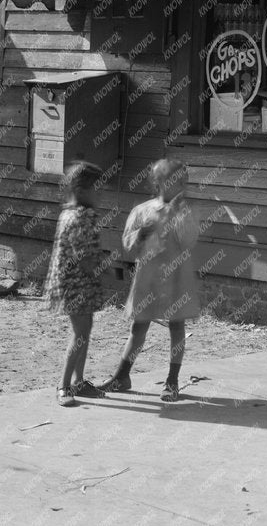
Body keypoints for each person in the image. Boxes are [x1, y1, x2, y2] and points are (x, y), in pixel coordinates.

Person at [101, 158, 200, 403]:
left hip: (177, 276)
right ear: (158, 183)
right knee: (139, 326)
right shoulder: (142, 211)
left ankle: (172, 381)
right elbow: (128, 245)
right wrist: (141, 233)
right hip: (148, 277)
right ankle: (122, 376)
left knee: (176, 326)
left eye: (180, 181)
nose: (176, 186)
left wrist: (177, 216)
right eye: (170, 181)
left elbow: (189, 241)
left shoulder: (185, 212)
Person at [44, 161, 108, 407]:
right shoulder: (83, 216)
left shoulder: (67, 213)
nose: (100, 194)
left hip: (72, 282)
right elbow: (84, 255)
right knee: (80, 333)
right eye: (97, 189)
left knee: (85, 330)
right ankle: (64, 386)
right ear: (82, 191)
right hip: (77, 284)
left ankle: (79, 382)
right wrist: (105, 270)